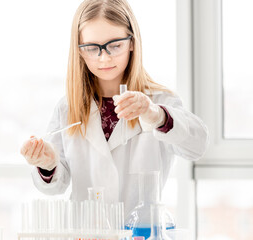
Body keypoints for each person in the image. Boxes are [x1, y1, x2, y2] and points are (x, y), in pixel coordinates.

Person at [20, 0, 209, 215]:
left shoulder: (159, 100)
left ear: (132, 43)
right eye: (92, 48)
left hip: (141, 232)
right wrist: (47, 163)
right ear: (79, 51)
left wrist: (156, 115)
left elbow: (198, 145)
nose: (104, 57)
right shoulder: (67, 108)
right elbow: (57, 185)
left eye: (115, 45)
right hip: (87, 233)